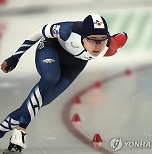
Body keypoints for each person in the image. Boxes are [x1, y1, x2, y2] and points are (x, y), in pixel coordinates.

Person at [0, 14, 128, 152]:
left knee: (41, 101)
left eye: (102, 40)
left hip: (75, 65)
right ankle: (21, 129)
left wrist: (118, 38)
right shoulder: (67, 31)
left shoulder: (110, 47)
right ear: (82, 37)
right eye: (92, 40)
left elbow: (123, 36)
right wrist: (15, 57)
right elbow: (39, 32)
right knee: (50, 78)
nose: (98, 46)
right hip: (51, 49)